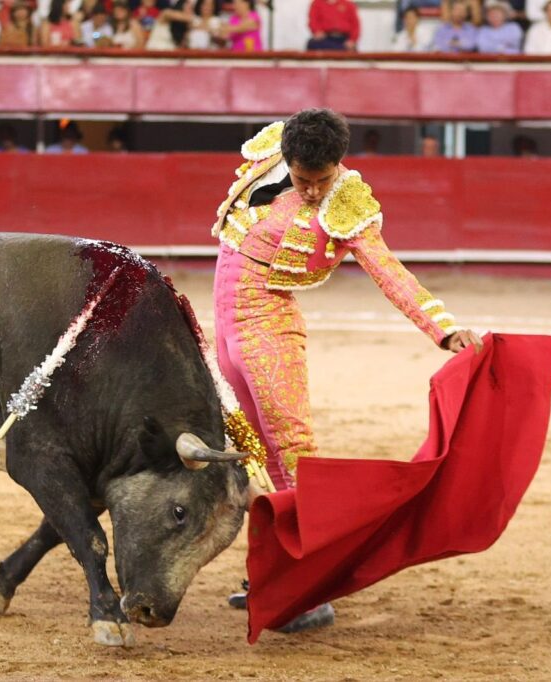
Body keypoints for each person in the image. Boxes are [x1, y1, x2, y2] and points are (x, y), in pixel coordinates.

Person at [211, 110, 481, 631]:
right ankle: (269, 575)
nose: (313, 192)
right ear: (286, 160)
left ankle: (309, 589)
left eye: (323, 179)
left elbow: (387, 271)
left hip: (269, 330)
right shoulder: (269, 154)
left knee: (293, 453)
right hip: (227, 327)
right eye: (302, 180)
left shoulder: (348, 202)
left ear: (339, 165)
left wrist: (442, 328)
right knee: (256, 453)